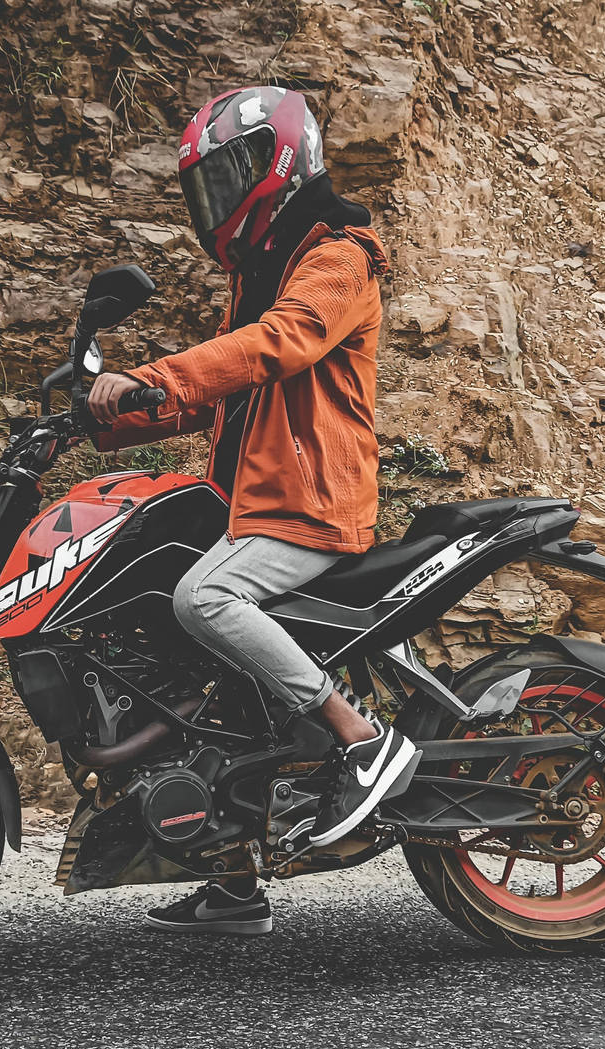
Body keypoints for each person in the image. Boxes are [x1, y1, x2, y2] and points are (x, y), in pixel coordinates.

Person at [88, 86, 420, 936]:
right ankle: (234, 878)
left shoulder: (339, 255)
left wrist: (155, 375)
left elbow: (281, 344)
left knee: (205, 600)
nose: (219, 197)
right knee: (202, 666)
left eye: (230, 173)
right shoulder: (266, 268)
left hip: (310, 505)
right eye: (208, 183)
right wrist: (107, 419)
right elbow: (218, 398)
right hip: (257, 504)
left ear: (279, 161)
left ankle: (361, 740)